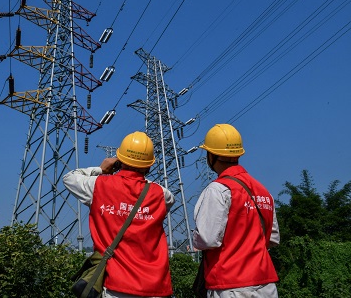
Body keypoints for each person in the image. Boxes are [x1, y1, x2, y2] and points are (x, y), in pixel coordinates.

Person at [63, 131, 174, 298]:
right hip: (155, 286)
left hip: (116, 286)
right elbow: (166, 197)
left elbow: (70, 178)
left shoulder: (99, 186)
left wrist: (101, 169)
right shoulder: (161, 195)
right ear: (149, 165)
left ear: (120, 159)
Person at [193, 123, 280, 298]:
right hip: (265, 284)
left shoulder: (218, 190)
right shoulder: (264, 192)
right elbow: (272, 238)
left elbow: (207, 239)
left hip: (230, 284)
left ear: (211, 155)